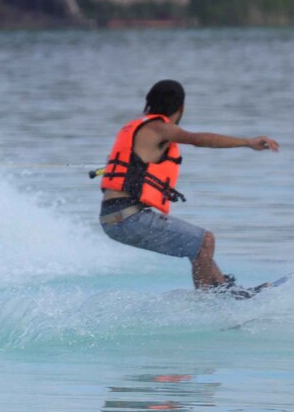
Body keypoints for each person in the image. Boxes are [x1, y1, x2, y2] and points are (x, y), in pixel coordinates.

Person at [98, 80, 279, 291]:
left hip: (113, 219)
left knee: (197, 245)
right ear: (181, 107)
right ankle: (206, 306)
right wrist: (247, 142)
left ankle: (223, 292)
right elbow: (196, 139)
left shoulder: (133, 129)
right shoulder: (159, 128)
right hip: (128, 217)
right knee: (205, 241)